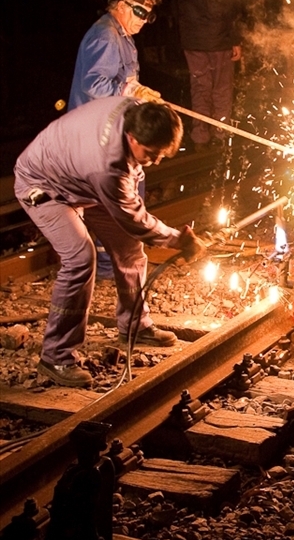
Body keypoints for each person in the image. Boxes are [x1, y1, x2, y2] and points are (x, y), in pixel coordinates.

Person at [14, 99, 206, 388]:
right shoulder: (108, 168)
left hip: (80, 178)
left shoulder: (137, 109)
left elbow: (130, 224)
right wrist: (179, 239)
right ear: (131, 137)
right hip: (42, 184)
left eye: (161, 156)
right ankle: (56, 356)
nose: (154, 162)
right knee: (80, 257)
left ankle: (135, 326)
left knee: (128, 247)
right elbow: (136, 221)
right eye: (150, 154)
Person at [69, 0, 163, 277]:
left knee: (128, 191)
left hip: (113, 127)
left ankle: (118, 260)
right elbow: (94, 83)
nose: (143, 20)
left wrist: (140, 92)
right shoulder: (106, 36)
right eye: (138, 12)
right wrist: (131, 92)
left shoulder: (123, 36)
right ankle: (113, 265)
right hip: (96, 130)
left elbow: (123, 79)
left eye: (148, 15)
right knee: (117, 196)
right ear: (120, 4)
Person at [175, 0, 242, 151]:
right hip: (219, 42)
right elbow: (233, 10)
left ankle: (200, 137)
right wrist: (236, 41)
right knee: (220, 88)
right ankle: (220, 136)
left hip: (192, 44)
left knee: (200, 87)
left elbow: (175, 9)